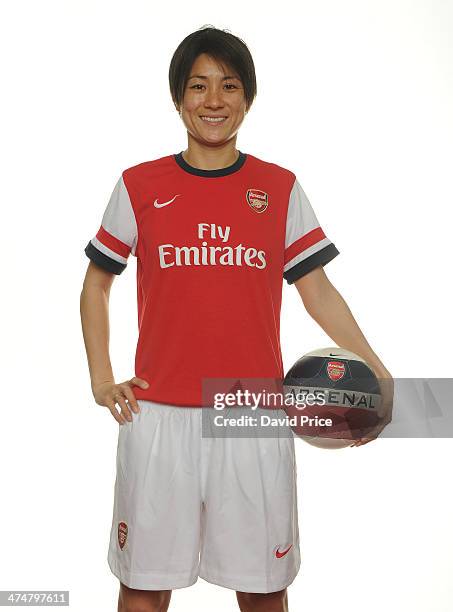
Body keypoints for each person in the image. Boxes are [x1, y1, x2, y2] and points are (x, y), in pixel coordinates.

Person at [80, 25, 393, 612]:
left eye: (228, 86)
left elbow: (316, 289)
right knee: (144, 587)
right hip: (159, 413)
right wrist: (102, 376)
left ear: (248, 97)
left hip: (249, 411)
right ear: (178, 99)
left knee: (263, 590)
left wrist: (373, 369)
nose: (214, 101)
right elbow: (97, 283)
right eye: (198, 87)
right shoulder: (139, 185)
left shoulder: (279, 188)